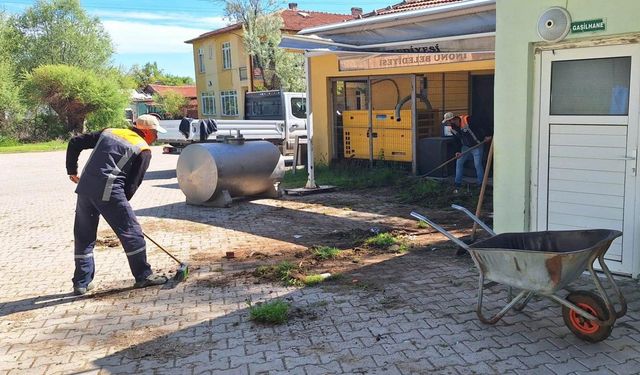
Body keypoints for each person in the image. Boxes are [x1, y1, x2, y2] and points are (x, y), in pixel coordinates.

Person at [66, 114, 169, 295]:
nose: (157, 137)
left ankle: (81, 283)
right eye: (155, 132)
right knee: (132, 233)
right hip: (109, 191)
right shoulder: (143, 149)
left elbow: (75, 142)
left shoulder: (109, 132)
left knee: (84, 235)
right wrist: (119, 210)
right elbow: (131, 185)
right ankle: (144, 276)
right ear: (145, 131)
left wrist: (72, 170)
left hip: (85, 189)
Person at [442, 112, 492, 193]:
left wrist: (488, 134)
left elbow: (483, 124)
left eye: (448, 121)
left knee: (477, 164)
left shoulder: (468, 120)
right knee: (459, 162)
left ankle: (481, 184)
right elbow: (456, 141)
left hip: (477, 145)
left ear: (452, 120)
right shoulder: (453, 128)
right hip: (465, 147)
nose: (447, 123)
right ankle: (457, 183)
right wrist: (457, 151)